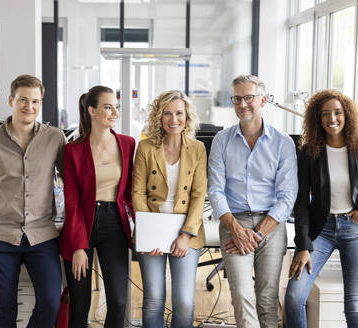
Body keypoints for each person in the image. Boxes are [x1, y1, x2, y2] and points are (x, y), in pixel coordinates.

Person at [285, 89, 358, 328]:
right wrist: (303, 246)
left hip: (356, 230)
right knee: (294, 298)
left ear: (347, 115)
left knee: (355, 308)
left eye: (337, 112)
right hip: (321, 230)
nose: (332, 118)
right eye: (325, 114)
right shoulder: (308, 152)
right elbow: (301, 204)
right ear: (317, 118)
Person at [0, 74, 66, 327]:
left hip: (42, 235)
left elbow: (70, 181)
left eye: (35, 101)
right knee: (2, 308)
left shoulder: (55, 138)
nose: (29, 106)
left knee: (50, 301)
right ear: (11, 100)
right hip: (1, 236)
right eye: (23, 100)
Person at [208, 74, 298, 328]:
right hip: (233, 223)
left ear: (263, 100)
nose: (242, 104)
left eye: (248, 97)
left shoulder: (283, 143)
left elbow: (287, 196)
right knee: (241, 295)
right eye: (237, 99)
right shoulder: (221, 140)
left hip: (271, 225)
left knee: (267, 298)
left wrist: (256, 234)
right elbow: (215, 190)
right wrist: (236, 230)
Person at [60, 86, 135, 328]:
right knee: (80, 304)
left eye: (116, 107)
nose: (114, 112)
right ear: (91, 110)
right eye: (107, 107)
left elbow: (132, 192)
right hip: (82, 223)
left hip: (114, 223)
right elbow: (71, 202)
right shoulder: (73, 151)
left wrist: (141, 225)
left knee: (118, 299)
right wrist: (78, 247)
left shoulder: (128, 144)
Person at [132, 90, 207, 328]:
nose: (173, 119)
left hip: (185, 230)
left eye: (179, 113)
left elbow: (198, 195)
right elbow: (138, 192)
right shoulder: (145, 148)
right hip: (153, 227)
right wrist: (148, 233)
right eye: (167, 113)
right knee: (153, 298)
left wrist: (185, 235)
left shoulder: (197, 149)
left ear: (187, 116)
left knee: (184, 301)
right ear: (159, 117)